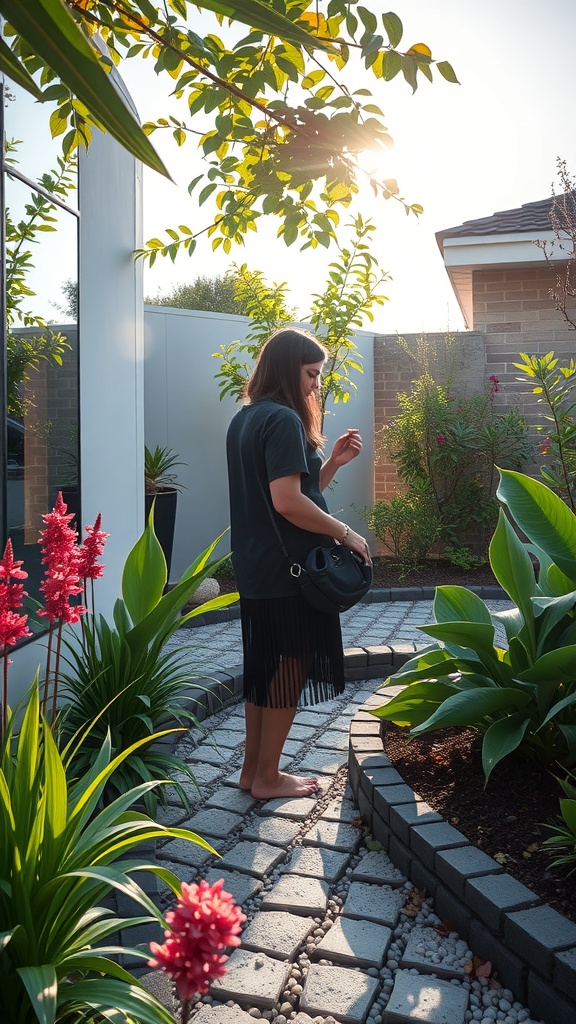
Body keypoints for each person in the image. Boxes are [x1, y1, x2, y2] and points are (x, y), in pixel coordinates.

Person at [226, 326, 372, 800]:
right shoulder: (285, 421)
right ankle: (268, 777)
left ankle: (252, 773)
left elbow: (290, 496)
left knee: (263, 666)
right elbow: (288, 503)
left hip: (257, 566)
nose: (315, 385)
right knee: (290, 665)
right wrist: (347, 533)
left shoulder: (246, 418)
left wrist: (330, 465)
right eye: (311, 374)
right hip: (291, 573)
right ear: (290, 369)